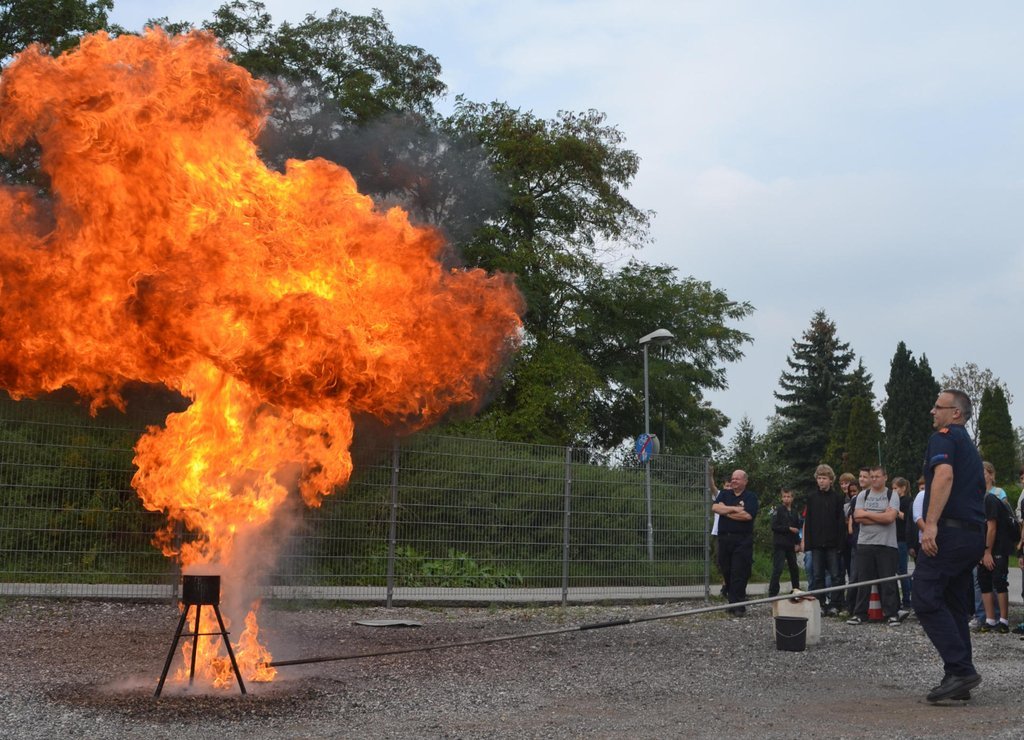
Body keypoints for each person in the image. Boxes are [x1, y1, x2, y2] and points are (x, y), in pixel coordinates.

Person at [912, 389, 986, 703]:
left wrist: (930, 524)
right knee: (953, 602)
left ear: (955, 413)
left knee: (924, 596)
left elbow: (943, 476)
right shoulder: (969, 446)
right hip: (972, 535)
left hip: (950, 534)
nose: (933, 411)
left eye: (938, 406)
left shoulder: (943, 438)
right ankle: (959, 676)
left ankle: (960, 670)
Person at [846, 466, 908, 625]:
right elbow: (858, 517)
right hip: (865, 543)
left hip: (886, 544)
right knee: (863, 581)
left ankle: (891, 614)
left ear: (885, 477)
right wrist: (880, 515)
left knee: (888, 581)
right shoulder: (862, 495)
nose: (874, 479)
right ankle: (860, 613)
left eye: (877, 476)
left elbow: (890, 518)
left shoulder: (892, 495)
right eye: (872, 476)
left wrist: (867, 514)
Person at [712, 470, 759, 616]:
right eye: (732, 478)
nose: (734, 481)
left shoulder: (751, 497)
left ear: (745, 481)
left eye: (737, 479)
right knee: (726, 570)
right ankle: (732, 602)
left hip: (742, 540)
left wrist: (725, 512)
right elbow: (715, 508)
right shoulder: (724, 494)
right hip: (725, 539)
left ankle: (738, 605)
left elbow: (747, 516)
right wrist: (733, 509)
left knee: (739, 571)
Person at [801, 464, 845, 616]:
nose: (821, 481)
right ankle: (820, 603)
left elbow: (840, 523)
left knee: (835, 575)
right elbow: (808, 521)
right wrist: (808, 544)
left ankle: (835, 603)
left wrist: (840, 544)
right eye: (819, 478)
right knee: (817, 575)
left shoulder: (837, 498)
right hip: (816, 544)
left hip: (833, 543)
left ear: (831, 480)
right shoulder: (812, 498)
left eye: (824, 478)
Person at [976, 462, 1013, 633]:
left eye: (983, 472)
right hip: (983, 546)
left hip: (998, 546)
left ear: (991, 475)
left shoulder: (990, 498)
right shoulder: (977, 498)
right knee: (983, 580)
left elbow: (992, 527)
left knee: (999, 580)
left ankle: (1003, 620)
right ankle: (990, 619)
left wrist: (987, 551)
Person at [769, 488, 802, 597]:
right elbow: (774, 526)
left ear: (792, 498)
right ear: (781, 498)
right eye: (784, 496)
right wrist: (788, 528)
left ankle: (796, 589)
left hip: (791, 544)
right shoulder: (778, 510)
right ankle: (773, 592)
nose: (786, 499)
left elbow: (797, 528)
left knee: (794, 568)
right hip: (780, 543)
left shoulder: (794, 512)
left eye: (788, 496)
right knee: (778, 568)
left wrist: (798, 543)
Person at [892, 477, 914, 609]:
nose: (893, 491)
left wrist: (895, 511)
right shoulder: (896, 501)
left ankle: (907, 599)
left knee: (902, 570)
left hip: (902, 539)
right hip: (895, 538)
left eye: (895, 488)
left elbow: (907, 517)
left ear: (903, 488)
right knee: (898, 570)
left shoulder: (907, 501)